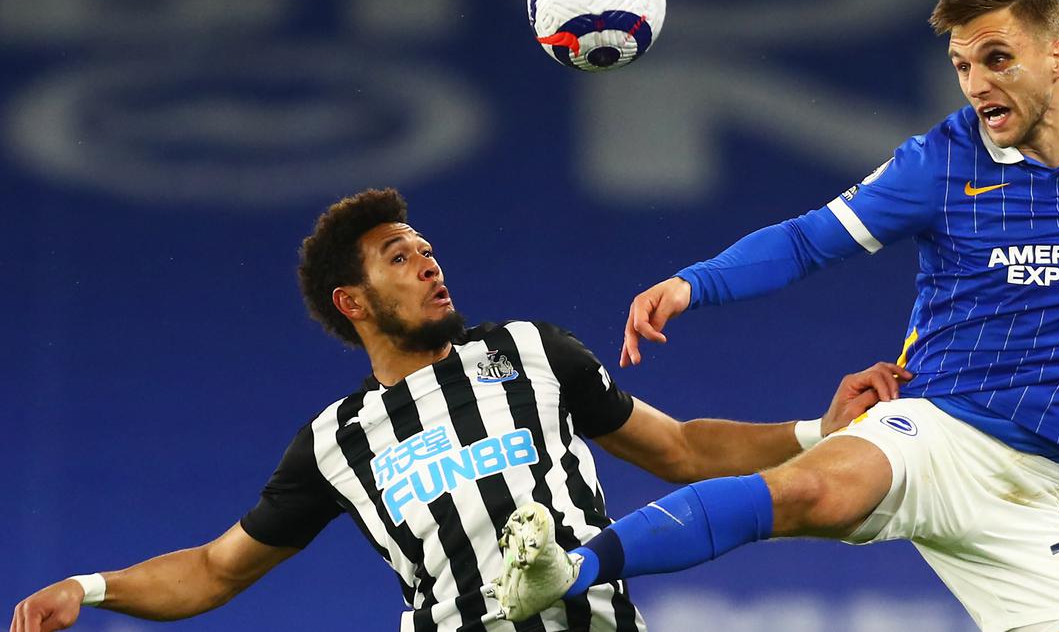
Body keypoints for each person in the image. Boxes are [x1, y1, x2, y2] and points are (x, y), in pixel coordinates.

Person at [493, 0, 1059, 632]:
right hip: (936, 432)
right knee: (810, 490)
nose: (976, 85)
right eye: (962, 66)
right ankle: (571, 569)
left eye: (996, 59)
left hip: (1028, 493)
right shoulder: (940, 161)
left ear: (1055, 55)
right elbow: (805, 241)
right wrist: (693, 282)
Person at [9, 188, 909, 632]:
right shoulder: (336, 444)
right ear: (352, 303)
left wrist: (815, 432)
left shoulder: (531, 352)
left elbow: (675, 449)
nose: (430, 263)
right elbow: (213, 570)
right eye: (400, 257)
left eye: (428, 249)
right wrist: (88, 589)